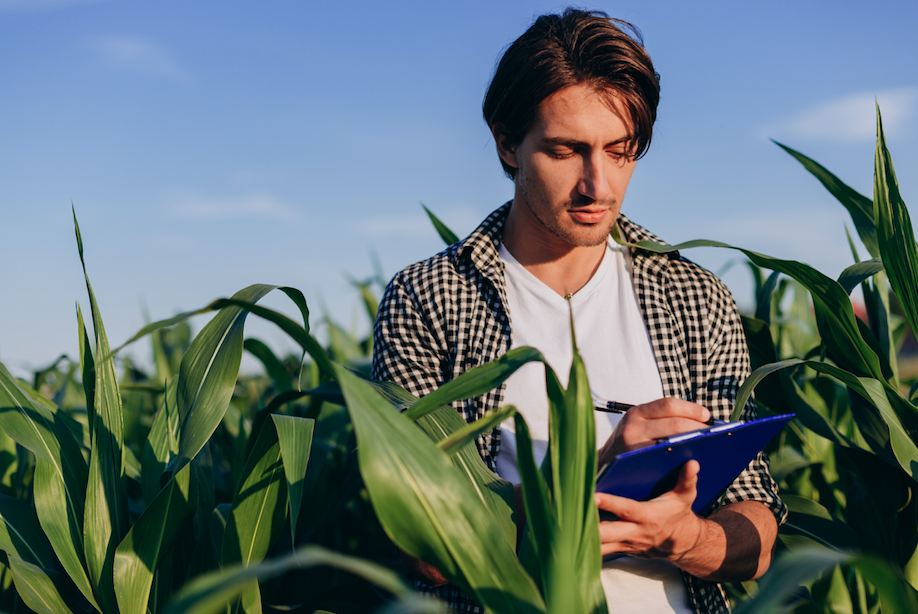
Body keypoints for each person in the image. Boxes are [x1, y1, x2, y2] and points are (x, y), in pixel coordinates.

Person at [372, 8, 786, 613]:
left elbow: (756, 529)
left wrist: (687, 537)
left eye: (621, 152)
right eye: (567, 151)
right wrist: (595, 469)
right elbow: (427, 543)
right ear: (507, 142)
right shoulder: (430, 298)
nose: (599, 185)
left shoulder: (692, 296)